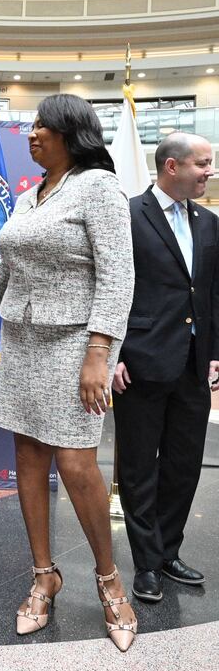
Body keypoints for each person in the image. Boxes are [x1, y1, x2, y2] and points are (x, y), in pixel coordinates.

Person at [0, 93, 137, 652]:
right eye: (31, 125)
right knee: (28, 457)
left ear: (70, 133)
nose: (31, 134)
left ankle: (109, 584)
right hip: (22, 341)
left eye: (42, 126)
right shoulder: (31, 194)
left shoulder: (99, 188)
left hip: (75, 345)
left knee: (77, 463)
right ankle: (44, 576)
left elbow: (118, 276)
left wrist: (99, 352)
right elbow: (12, 265)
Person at [112, 132, 219, 604]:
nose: (209, 172)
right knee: (138, 469)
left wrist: (216, 350)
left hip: (194, 367)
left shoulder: (210, 222)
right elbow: (110, 289)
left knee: (183, 467)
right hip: (139, 363)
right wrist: (110, 354)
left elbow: (212, 294)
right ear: (171, 166)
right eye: (202, 163)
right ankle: (147, 563)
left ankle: (168, 550)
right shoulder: (127, 215)